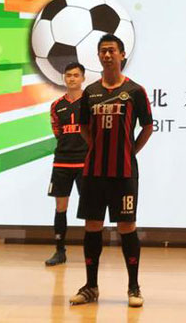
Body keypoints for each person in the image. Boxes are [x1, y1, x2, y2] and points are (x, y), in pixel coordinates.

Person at [69, 34, 153, 307]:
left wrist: (130, 150)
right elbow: (83, 127)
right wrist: (97, 147)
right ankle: (91, 286)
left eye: (112, 51)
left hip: (124, 173)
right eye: (103, 51)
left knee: (126, 227)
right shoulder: (90, 92)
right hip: (94, 173)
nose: (107, 55)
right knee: (92, 226)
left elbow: (148, 126)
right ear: (98, 56)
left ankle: (133, 287)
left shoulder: (135, 91)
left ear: (122, 55)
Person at [45, 63, 88, 266]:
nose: (72, 78)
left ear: (83, 78)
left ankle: (91, 251)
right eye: (69, 75)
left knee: (89, 208)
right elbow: (57, 131)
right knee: (60, 207)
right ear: (64, 78)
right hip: (62, 162)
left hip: (85, 161)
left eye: (76, 75)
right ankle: (60, 251)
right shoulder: (56, 105)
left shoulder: (90, 102)